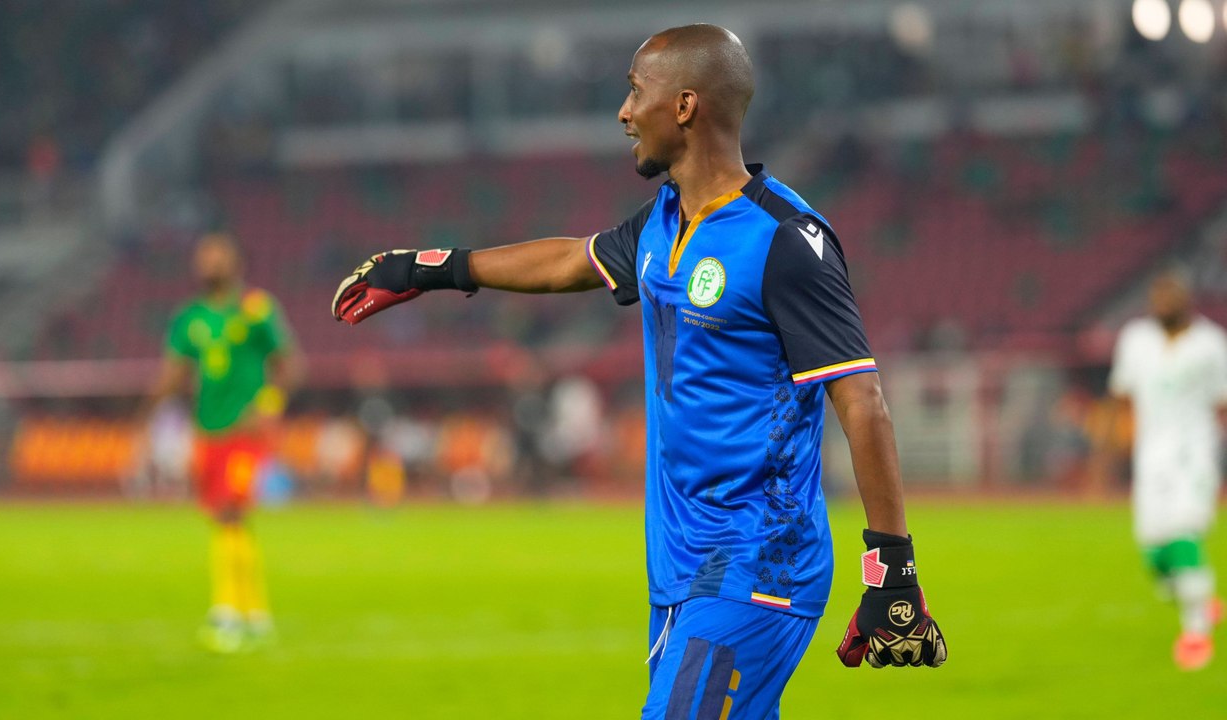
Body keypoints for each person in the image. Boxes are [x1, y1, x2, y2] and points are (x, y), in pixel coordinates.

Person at [331, 24, 945, 716]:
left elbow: (862, 400)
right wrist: (432, 268)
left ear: (684, 106)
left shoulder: (785, 240)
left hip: (756, 563)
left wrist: (892, 569)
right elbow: (572, 260)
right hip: (681, 568)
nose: (623, 113)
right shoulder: (664, 222)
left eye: (635, 92)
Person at [142, 233, 301, 653]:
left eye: (217, 256)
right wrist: (144, 412)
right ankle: (256, 613)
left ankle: (226, 612)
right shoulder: (189, 318)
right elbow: (174, 373)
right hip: (207, 432)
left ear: (236, 263)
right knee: (225, 520)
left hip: (247, 432)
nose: (208, 262)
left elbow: (289, 364)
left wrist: (268, 404)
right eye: (203, 256)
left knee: (231, 512)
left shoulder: (256, 309)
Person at [1109, 270, 1226, 671]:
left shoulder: (1211, 344)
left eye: (1170, 298)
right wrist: (1119, 446)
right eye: (1157, 298)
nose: (1163, 305)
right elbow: (1123, 397)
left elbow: (1222, 403)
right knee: (1156, 556)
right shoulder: (1135, 340)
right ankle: (1200, 596)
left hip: (1195, 455)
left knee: (1183, 534)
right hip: (1151, 458)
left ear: (1185, 301)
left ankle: (1195, 632)